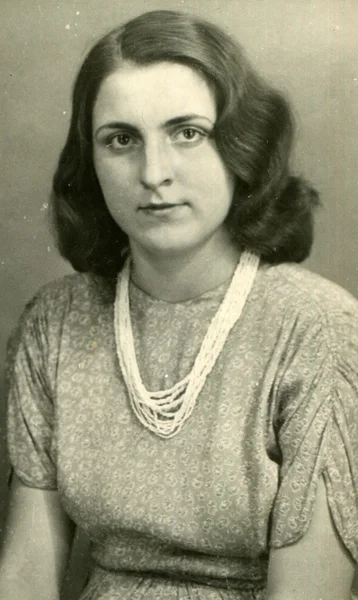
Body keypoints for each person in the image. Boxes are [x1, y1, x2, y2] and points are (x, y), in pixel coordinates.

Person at [0, 8, 357, 600]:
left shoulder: (320, 330)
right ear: (89, 161)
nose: (154, 173)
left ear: (242, 145)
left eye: (188, 132)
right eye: (121, 140)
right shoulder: (55, 322)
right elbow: (26, 575)